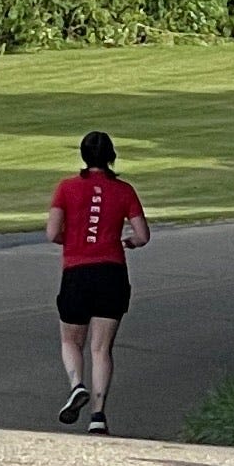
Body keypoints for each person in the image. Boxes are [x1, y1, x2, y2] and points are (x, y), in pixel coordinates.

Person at [46, 129, 150, 432]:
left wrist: (74, 240)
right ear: (111, 157)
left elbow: (52, 233)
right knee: (101, 349)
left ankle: (77, 384)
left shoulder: (66, 188)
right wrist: (127, 243)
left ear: (83, 155)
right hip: (112, 273)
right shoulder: (125, 191)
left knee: (70, 340)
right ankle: (98, 416)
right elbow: (142, 235)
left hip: (77, 272)